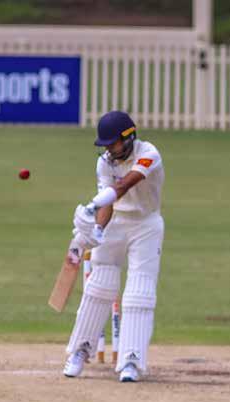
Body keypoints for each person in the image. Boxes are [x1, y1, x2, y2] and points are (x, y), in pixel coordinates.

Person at [63, 111, 165, 382]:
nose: (108, 149)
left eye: (112, 144)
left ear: (128, 138)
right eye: (105, 145)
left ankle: (131, 361)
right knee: (99, 285)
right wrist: (96, 229)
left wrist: (93, 204)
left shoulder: (149, 154)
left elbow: (124, 185)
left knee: (139, 292)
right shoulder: (105, 163)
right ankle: (80, 351)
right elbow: (109, 203)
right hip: (116, 222)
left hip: (146, 224)